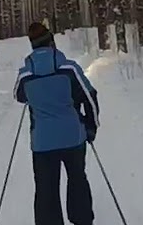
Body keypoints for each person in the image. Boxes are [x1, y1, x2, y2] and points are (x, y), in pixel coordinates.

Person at [14, 22, 98, 225]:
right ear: (52, 43)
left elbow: (19, 96)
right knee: (77, 179)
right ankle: (82, 220)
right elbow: (90, 96)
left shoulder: (26, 74)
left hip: (42, 142)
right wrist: (91, 126)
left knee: (46, 189)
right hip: (73, 137)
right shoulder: (69, 68)